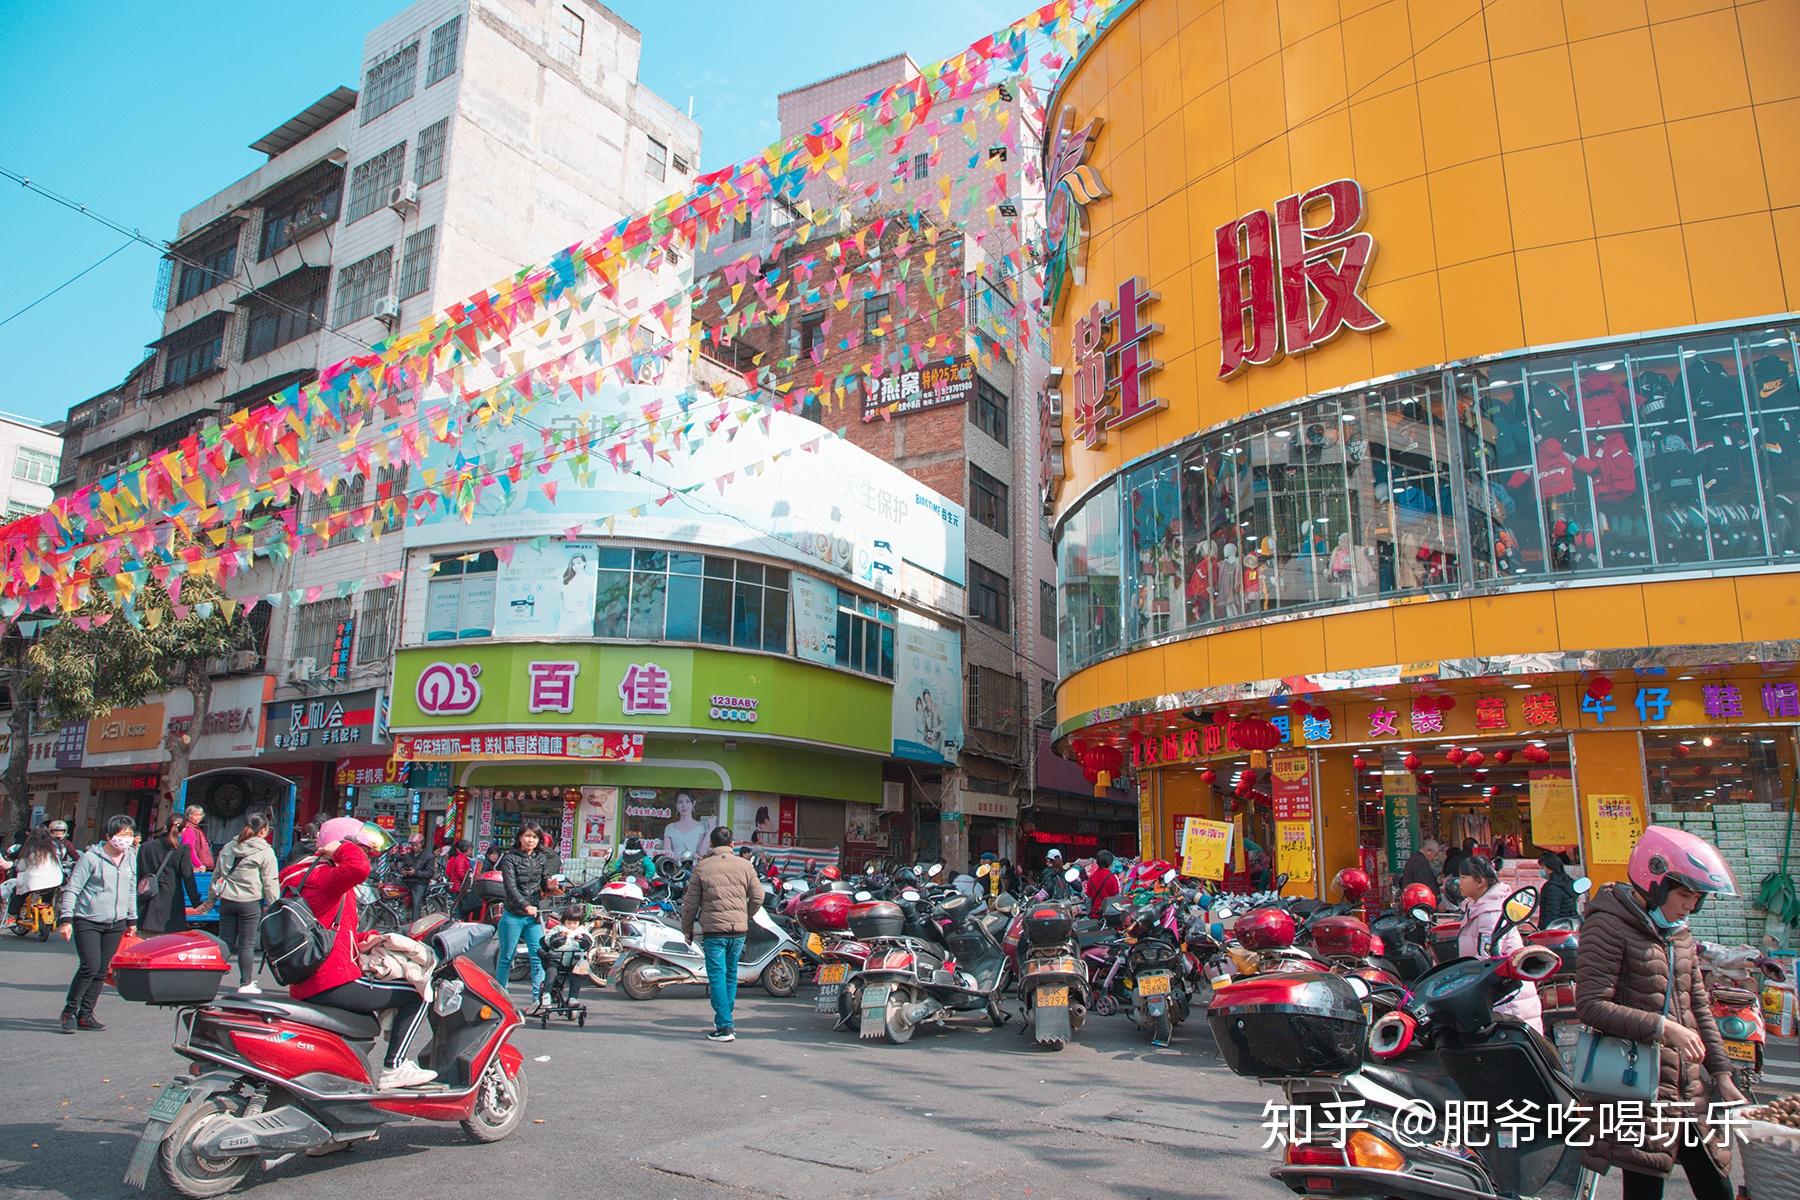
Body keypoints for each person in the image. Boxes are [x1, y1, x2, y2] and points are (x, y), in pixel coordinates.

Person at [1576, 826, 1742, 1200]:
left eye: (1697, 898)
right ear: (1653, 881)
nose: (1689, 906)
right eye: (1685, 895)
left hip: (1687, 1087)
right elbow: (1590, 1005)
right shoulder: (1607, 924)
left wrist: (1722, 1073)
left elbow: (1697, 1005)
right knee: (1645, 1182)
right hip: (1639, 1088)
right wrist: (1662, 1027)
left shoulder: (1678, 933)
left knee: (1715, 1180)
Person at [281, 817, 436, 1090]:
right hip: (332, 979)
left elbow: (332, 928)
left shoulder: (307, 875)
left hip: (315, 976)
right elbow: (358, 868)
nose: (366, 855)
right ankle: (394, 1067)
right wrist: (339, 848)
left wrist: (369, 938)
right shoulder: (324, 875)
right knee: (419, 993)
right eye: (361, 847)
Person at [56, 815, 139, 1034]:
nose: (126, 839)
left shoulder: (130, 857)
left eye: (129, 835)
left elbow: (131, 889)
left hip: (116, 922)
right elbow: (72, 888)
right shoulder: (91, 858)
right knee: (89, 966)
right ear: (109, 836)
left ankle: (86, 1014)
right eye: (122, 835)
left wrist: (132, 919)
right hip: (87, 920)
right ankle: (69, 1011)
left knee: (102, 970)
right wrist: (66, 919)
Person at [680, 825, 763, 1043]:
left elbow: (690, 904)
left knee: (717, 975)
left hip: (714, 931)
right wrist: (745, 916)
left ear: (711, 844)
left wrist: (686, 929)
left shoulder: (703, 867)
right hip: (738, 931)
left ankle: (725, 1026)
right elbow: (758, 897)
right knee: (730, 974)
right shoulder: (745, 866)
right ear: (732, 844)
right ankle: (725, 1018)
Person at [1456, 854, 1543, 1032]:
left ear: (1480, 882)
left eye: (1463, 877)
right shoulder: (1477, 907)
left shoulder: (1491, 913)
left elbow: (1485, 961)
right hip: (1497, 998)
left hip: (1507, 1002)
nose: (1459, 882)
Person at [494, 822, 560, 1015]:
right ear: (520, 837)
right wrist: (525, 905)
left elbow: (543, 882)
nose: (530, 840)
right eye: (527, 836)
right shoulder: (510, 858)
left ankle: (537, 1001)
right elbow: (510, 887)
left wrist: (550, 884)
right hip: (514, 915)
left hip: (534, 916)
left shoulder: (540, 858)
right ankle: (500, 999)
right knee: (507, 957)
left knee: (538, 957)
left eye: (534, 837)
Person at [213, 813, 280, 994]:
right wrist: (275, 907)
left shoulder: (228, 846)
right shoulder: (265, 851)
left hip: (227, 900)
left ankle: (211, 979)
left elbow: (217, 875)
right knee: (247, 944)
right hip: (250, 903)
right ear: (264, 830)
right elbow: (270, 882)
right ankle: (245, 983)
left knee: (225, 941)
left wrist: (210, 900)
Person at [136, 817, 204, 935]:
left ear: (165, 827)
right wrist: (196, 902)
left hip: (147, 904)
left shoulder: (145, 847)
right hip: (171, 907)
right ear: (182, 831)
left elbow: (139, 875)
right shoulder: (182, 850)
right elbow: (188, 878)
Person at [661, 793, 712, 862]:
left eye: (688, 801)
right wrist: (685, 856)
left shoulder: (701, 826)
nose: (684, 806)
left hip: (695, 868)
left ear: (693, 803)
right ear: (676, 805)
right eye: (680, 802)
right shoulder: (670, 828)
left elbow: (702, 853)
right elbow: (667, 854)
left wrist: (710, 829)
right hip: (675, 868)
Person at [1537, 850, 1580, 925]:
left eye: (1542, 867)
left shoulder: (1552, 887)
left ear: (1549, 868)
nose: (1541, 870)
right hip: (1570, 926)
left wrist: (1546, 930)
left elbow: (1551, 913)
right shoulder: (1569, 882)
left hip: (1556, 929)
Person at [399, 833, 436, 915]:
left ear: (421, 844)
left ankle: (415, 922)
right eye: (412, 845)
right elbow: (403, 866)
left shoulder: (429, 856)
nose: (414, 847)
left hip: (419, 883)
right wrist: (403, 871)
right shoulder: (408, 855)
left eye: (416, 845)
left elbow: (430, 873)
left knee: (416, 902)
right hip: (406, 881)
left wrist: (415, 872)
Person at [1085, 849, 1122, 918]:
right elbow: (1117, 898)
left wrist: (1089, 915)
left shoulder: (1091, 878)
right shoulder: (1113, 877)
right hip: (1109, 916)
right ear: (1110, 863)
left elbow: (1088, 900)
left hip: (1095, 916)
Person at [179, 805, 214, 873]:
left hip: (203, 867)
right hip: (196, 868)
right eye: (195, 815)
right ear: (188, 815)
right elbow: (189, 849)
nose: (198, 817)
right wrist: (198, 865)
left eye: (200, 815)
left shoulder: (197, 829)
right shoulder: (189, 829)